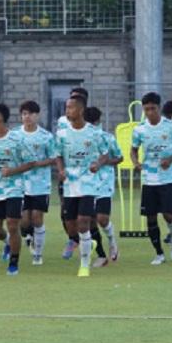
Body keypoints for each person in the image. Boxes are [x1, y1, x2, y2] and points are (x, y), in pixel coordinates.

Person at [130, 92, 172, 266]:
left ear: (158, 107)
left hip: (167, 178)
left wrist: (170, 159)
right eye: (146, 109)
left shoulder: (171, 127)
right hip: (149, 178)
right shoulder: (139, 129)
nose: (150, 112)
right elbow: (133, 149)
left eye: (153, 109)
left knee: (168, 215)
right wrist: (136, 163)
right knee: (150, 217)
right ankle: (159, 253)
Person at [55, 95, 109, 278]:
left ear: (80, 110)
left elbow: (105, 154)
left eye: (70, 108)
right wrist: (61, 170)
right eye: (66, 108)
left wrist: (98, 164)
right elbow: (58, 155)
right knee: (71, 226)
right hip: (70, 185)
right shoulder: (62, 134)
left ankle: (84, 265)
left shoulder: (94, 133)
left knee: (83, 222)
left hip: (88, 184)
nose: (67, 111)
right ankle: (88, 243)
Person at [0, 103, 31, 275]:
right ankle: (9, 242)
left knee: (12, 224)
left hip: (14, 189)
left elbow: (30, 163)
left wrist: (13, 171)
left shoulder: (17, 139)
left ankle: (14, 262)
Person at [17, 100, 57, 265]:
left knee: (37, 217)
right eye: (24, 114)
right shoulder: (15, 135)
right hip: (20, 184)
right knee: (24, 220)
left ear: (37, 115)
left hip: (41, 183)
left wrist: (38, 164)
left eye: (30, 114)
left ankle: (38, 254)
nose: (27, 117)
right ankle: (28, 236)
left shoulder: (46, 136)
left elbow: (54, 157)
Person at [85, 106, 123, 267]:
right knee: (89, 220)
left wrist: (104, 162)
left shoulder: (107, 137)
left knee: (102, 218)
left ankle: (112, 241)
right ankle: (100, 255)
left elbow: (119, 158)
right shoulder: (79, 137)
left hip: (104, 182)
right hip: (85, 183)